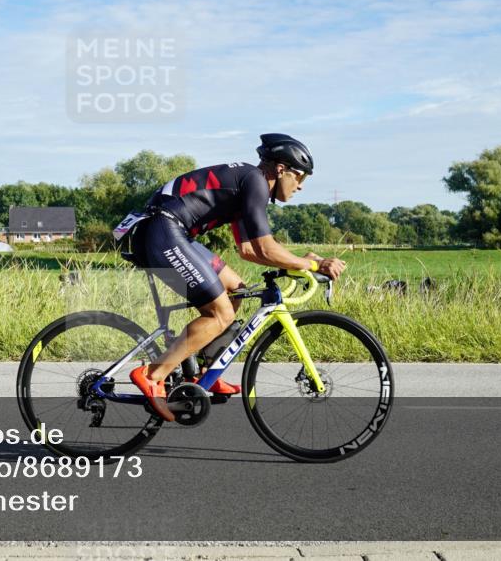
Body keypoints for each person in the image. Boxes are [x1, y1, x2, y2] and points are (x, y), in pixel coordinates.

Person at [122, 133, 346, 422]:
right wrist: (313, 266)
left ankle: (206, 371)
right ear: (281, 170)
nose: (301, 185)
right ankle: (154, 374)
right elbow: (264, 248)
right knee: (220, 314)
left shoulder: (247, 185)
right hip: (162, 230)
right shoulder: (255, 181)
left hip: (172, 232)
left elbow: (250, 249)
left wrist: (304, 261)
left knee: (236, 289)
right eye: (300, 176)